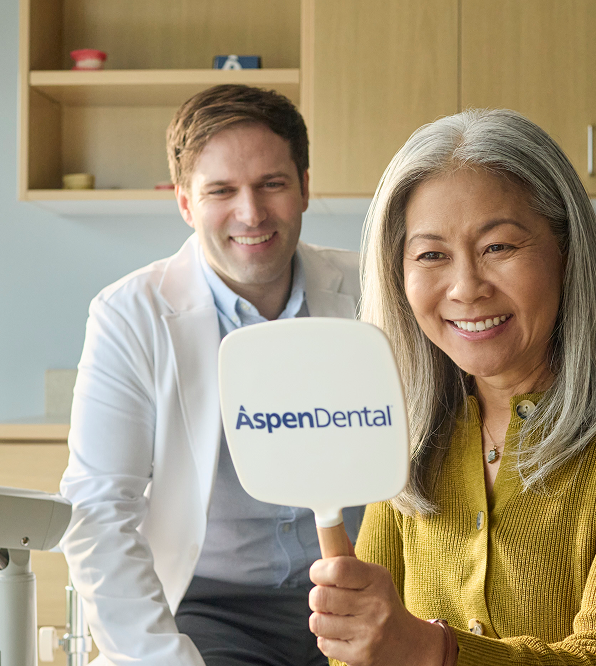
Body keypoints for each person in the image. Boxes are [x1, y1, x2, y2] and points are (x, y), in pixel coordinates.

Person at [307, 109, 596, 666]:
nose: (466, 289)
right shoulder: (409, 433)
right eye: (431, 254)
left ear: (567, 252)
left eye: (499, 247)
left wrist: (429, 649)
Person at [60, 84, 363, 666]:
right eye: (221, 190)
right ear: (185, 202)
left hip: (360, 589)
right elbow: (100, 506)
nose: (250, 213)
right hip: (214, 609)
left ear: (304, 186)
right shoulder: (130, 315)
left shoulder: (373, 290)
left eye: (271, 184)